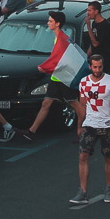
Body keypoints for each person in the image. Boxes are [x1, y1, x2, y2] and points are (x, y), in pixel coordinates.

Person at [70, 53, 110, 205]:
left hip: (107, 126)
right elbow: (82, 105)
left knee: (108, 158)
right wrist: (79, 125)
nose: (97, 69)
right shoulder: (83, 82)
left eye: (100, 67)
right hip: (90, 125)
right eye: (94, 67)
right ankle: (83, 192)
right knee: (83, 156)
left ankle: (108, 189)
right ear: (90, 67)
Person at [20, 12, 79, 141]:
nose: (48, 23)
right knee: (46, 103)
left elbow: (57, 58)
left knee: (75, 104)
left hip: (63, 78)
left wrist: (44, 67)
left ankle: (82, 132)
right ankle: (32, 131)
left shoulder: (61, 39)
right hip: (57, 77)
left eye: (51, 21)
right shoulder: (60, 37)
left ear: (57, 24)